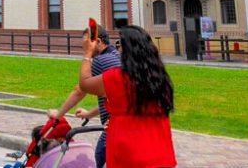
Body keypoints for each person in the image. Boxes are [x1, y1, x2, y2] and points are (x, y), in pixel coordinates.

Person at [78, 25, 176, 168]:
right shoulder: (161, 80)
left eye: (120, 45)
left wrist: (87, 55)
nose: (118, 49)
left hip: (130, 156)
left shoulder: (118, 78)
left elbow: (84, 84)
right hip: (162, 155)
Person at [48, 25, 121, 168]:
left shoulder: (101, 61)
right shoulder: (117, 56)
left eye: (86, 45)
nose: (84, 49)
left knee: (97, 162)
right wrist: (89, 114)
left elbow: (80, 90)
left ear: (98, 42)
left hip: (114, 128)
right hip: (118, 124)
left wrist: (58, 114)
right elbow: (113, 97)